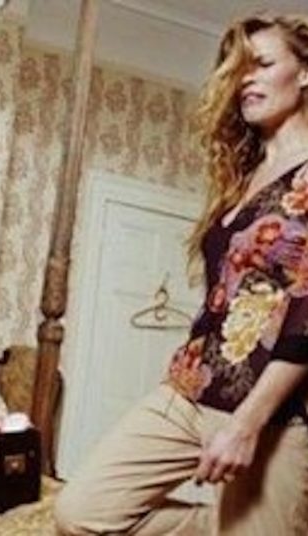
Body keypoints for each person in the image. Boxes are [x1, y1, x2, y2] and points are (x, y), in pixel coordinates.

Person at [55, 13, 308, 536]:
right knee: (79, 513)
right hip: (191, 389)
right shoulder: (243, 176)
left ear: (305, 73)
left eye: (262, 64)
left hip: (276, 413)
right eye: (238, 69)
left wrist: (247, 423)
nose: (246, 79)